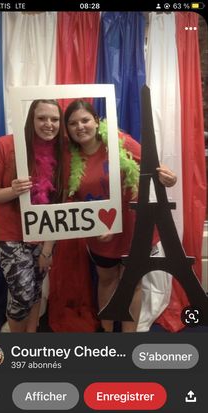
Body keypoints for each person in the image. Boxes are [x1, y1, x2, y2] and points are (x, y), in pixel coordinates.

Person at [64, 99, 177, 332]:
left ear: (96, 121)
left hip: (134, 228)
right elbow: (70, 200)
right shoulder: (69, 158)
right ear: (68, 130)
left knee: (132, 284)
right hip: (100, 231)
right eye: (73, 123)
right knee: (106, 281)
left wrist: (169, 178)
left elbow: (153, 169)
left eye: (85, 120)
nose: (80, 127)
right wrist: (93, 227)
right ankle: (107, 333)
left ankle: (129, 338)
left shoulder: (121, 142)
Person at [0, 99, 64, 332]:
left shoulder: (61, 151)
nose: (48, 124)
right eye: (42, 118)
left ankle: (31, 337)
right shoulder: (5, 145)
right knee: (22, 296)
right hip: (11, 236)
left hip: (43, 234)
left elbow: (58, 205)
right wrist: (13, 190)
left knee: (36, 289)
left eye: (54, 119)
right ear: (30, 119)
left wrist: (48, 248)